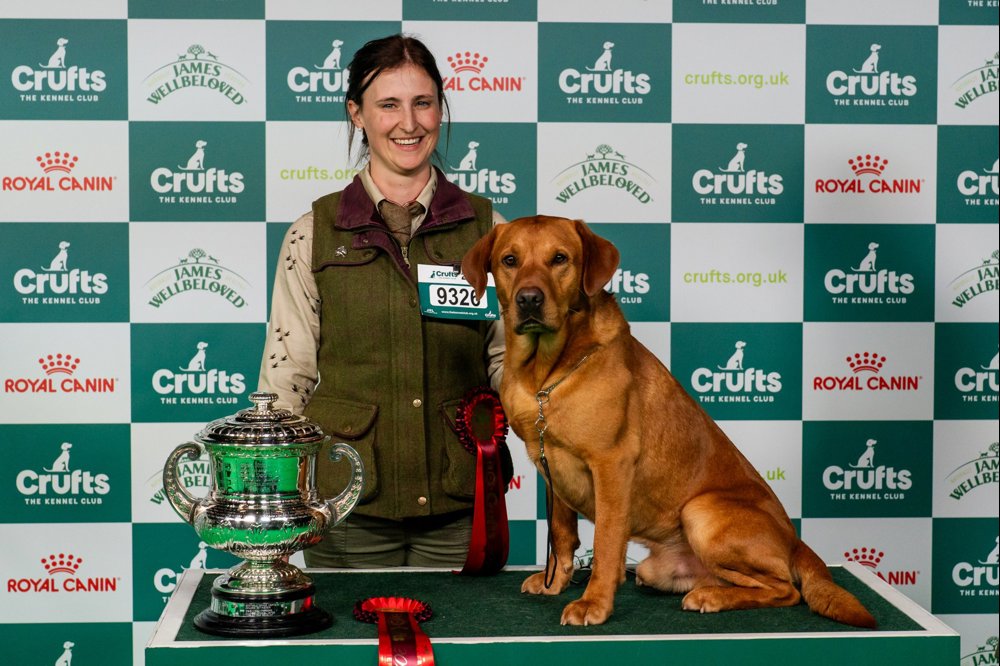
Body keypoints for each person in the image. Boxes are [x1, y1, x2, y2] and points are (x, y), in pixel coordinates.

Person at [258, 34, 506, 568]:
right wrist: (277, 508)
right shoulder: (312, 233)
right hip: (345, 506)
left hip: (462, 504)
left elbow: (512, 362)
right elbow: (288, 377)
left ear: (441, 107)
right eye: (388, 105)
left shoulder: (492, 233)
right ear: (357, 114)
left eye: (423, 102)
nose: (409, 123)